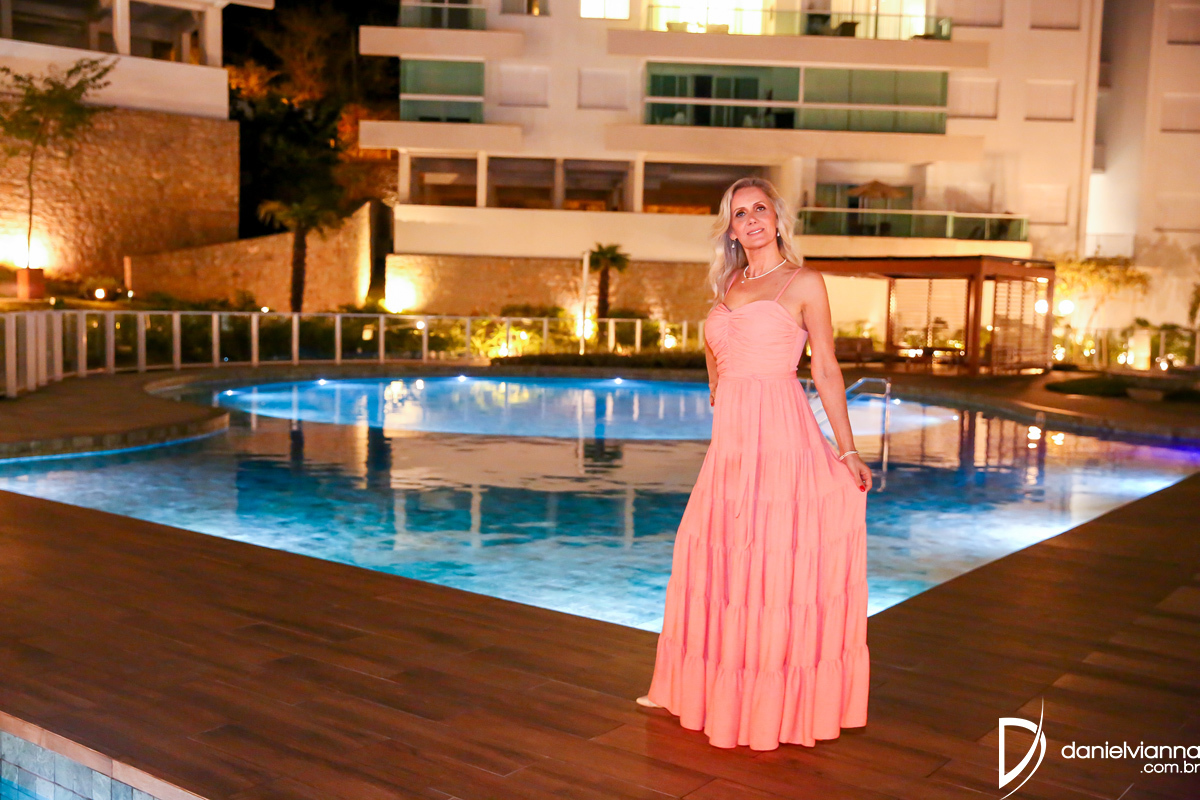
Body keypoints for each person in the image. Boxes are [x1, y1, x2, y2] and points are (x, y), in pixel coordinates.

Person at [636, 177, 871, 751]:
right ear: (732, 229)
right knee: (712, 555)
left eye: (759, 208)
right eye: (740, 213)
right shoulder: (730, 282)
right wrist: (719, 384)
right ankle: (695, 687)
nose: (751, 220)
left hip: (781, 437)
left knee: (768, 563)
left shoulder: (804, 282)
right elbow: (714, 348)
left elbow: (825, 368)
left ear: (777, 217)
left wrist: (847, 449)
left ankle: (770, 702)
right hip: (733, 447)